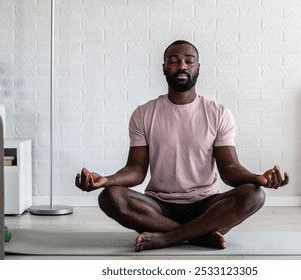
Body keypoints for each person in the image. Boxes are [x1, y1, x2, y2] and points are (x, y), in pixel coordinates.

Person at [75, 40, 289, 252]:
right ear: (164, 68)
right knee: (110, 197)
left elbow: (230, 170)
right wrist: (107, 180)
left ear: (198, 68)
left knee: (254, 194)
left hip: (206, 205)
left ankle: (169, 238)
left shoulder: (217, 113)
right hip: (159, 207)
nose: (182, 66)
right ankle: (198, 236)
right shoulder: (144, 113)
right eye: (174, 61)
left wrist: (257, 178)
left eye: (189, 61)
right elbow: (136, 170)